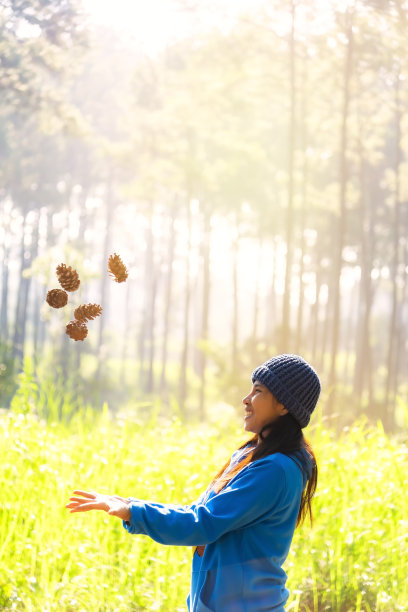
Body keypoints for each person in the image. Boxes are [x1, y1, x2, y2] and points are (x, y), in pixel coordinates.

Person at [66, 353, 321, 611]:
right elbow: (197, 514)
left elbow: (203, 523)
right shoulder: (251, 457)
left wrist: (134, 511)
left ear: (284, 406)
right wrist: (133, 507)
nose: (246, 399)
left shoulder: (275, 470)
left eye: (258, 391)